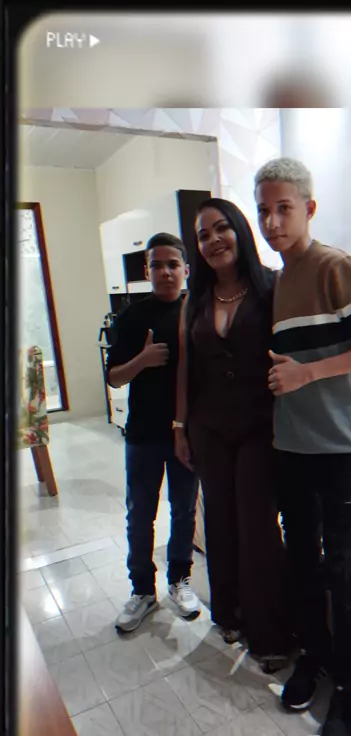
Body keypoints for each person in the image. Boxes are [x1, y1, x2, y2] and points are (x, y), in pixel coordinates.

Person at [254, 157, 351, 736]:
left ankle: (349, 687)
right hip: (291, 448)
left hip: (342, 450)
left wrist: (308, 373)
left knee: (343, 568)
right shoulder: (274, 283)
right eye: (263, 211)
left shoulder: (335, 266)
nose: (272, 221)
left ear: (308, 208)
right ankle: (313, 657)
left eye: (283, 208)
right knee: (303, 563)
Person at [174, 198, 293, 669]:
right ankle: (229, 613)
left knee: (258, 525)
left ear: (240, 231)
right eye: (203, 235)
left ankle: (271, 633)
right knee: (220, 522)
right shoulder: (196, 300)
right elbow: (187, 368)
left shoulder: (272, 287)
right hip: (208, 428)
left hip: (260, 427)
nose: (213, 240)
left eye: (221, 228)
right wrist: (181, 427)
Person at [106, 233, 201, 633]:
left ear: (186, 270)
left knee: (184, 510)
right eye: (157, 265)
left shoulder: (197, 314)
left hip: (187, 434)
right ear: (147, 271)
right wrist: (142, 360)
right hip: (143, 434)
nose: (165, 272)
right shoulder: (132, 317)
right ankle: (143, 590)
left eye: (172, 264)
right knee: (140, 514)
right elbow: (113, 378)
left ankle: (180, 580)